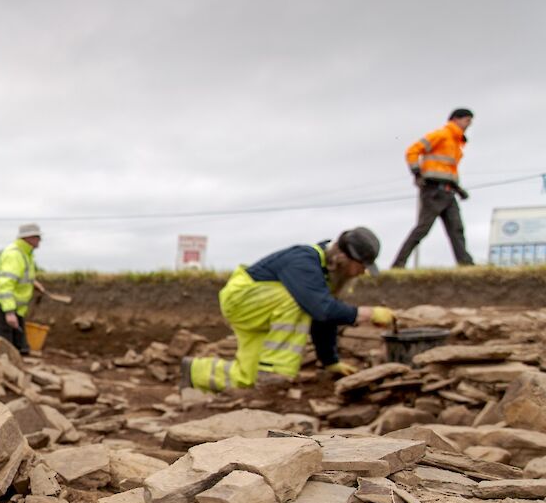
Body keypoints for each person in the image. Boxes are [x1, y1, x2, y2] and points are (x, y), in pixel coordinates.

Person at [182, 228, 395, 392]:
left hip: (262, 309)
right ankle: (275, 375)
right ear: (343, 258)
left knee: (247, 377)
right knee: (300, 301)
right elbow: (321, 309)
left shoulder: (324, 276)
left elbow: (323, 319)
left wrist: (331, 362)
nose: (362, 272)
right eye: (361, 266)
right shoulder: (305, 260)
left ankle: (193, 372)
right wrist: (365, 314)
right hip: (243, 299)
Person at [391, 108, 475, 268]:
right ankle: (398, 264)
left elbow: (447, 171)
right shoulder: (441, 135)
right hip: (433, 191)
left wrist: (458, 189)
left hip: (449, 191)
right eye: (467, 121)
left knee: (456, 229)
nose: (469, 125)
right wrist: (416, 173)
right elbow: (412, 151)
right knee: (422, 229)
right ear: (456, 119)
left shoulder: (456, 143)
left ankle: (466, 264)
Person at [0, 223, 52, 355]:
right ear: (28, 238)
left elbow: (21, 275)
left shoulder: (25, 254)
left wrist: (34, 282)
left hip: (15, 308)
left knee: (21, 349)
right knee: (4, 350)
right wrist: (9, 312)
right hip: (3, 308)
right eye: (37, 237)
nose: (40, 240)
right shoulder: (14, 255)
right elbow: (6, 284)